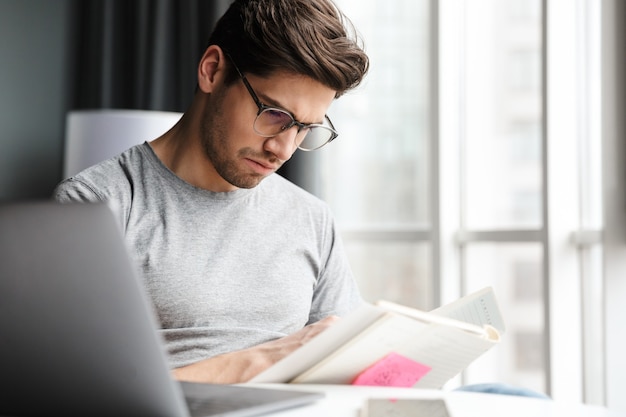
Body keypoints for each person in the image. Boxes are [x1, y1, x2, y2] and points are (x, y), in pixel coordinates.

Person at [53, 0, 369, 384]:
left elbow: (348, 367)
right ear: (213, 70)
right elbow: (79, 393)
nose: (283, 150)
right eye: (273, 114)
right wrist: (256, 363)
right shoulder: (95, 207)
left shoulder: (311, 218)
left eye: (304, 128)